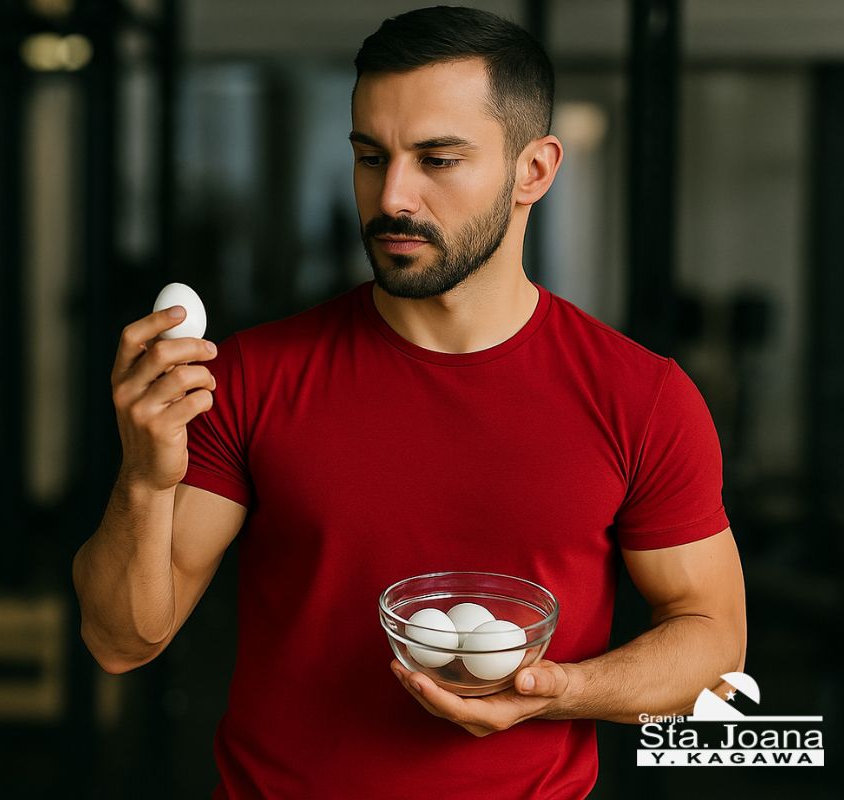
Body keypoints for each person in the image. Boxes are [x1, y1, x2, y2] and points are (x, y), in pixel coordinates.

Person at [72, 5, 747, 797]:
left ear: (534, 169)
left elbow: (714, 645)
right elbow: (123, 642)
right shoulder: (250, 376)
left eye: (437, 159)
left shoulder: (642, 396)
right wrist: (144, 481)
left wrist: (558, 693)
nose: (392, 195)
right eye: (370, 156)